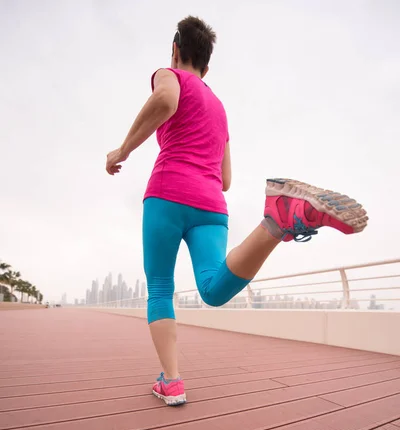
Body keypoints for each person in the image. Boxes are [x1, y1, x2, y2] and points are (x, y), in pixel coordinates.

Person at [106, 16, 368, 406]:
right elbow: (226, 178)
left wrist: (122, 150)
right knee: (212, 288)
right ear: (208, 67)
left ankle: (172, 381)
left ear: (175, 50)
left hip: (167, 192)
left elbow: (164, 101)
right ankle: (276, 222)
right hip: (211, 204)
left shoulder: (170, 76)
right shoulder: (220, 107)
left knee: (160, 286)